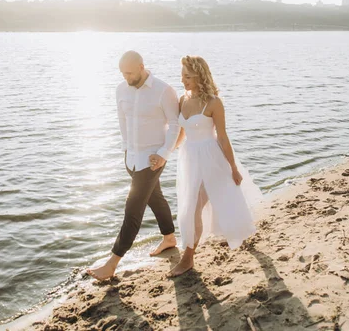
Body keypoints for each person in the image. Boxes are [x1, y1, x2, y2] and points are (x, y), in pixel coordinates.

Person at [87, 51, 181, 281]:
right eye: (123, 73)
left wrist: (163, 154)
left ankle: (112, 263)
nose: (126, 77)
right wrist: (126, 150)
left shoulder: (163, 90)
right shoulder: (121, 90)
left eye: (129, 72)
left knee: (133, 209)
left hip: (153, 160)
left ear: (141, 66)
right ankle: (169, 238)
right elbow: (123, 121)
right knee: (155, 198)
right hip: (131, 158)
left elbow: (176, 125)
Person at [168, 55, 261, 277]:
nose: (183, 80)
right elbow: (181, 133)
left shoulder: (214, 103)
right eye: (182, 75)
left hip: (212, 160)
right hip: (189, 160)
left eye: (188, 76)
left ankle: (188, 257)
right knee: (190, 208)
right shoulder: (182, 100)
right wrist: (165, 153)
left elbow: (222, 137)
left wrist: (233, 168)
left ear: (200, 76)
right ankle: (190, 252)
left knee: (195, 208)